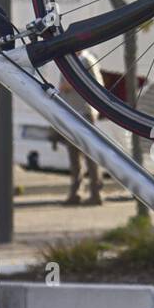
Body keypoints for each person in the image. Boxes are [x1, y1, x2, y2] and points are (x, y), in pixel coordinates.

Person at [51, 50, 103, 206]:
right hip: (70, 113)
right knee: (74, 156)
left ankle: (96, 192)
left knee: (90, 154)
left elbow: (96, 85)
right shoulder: (69, 59)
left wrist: (71, 84)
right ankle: (76, 192)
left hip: (84, 112)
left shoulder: (86, 60)